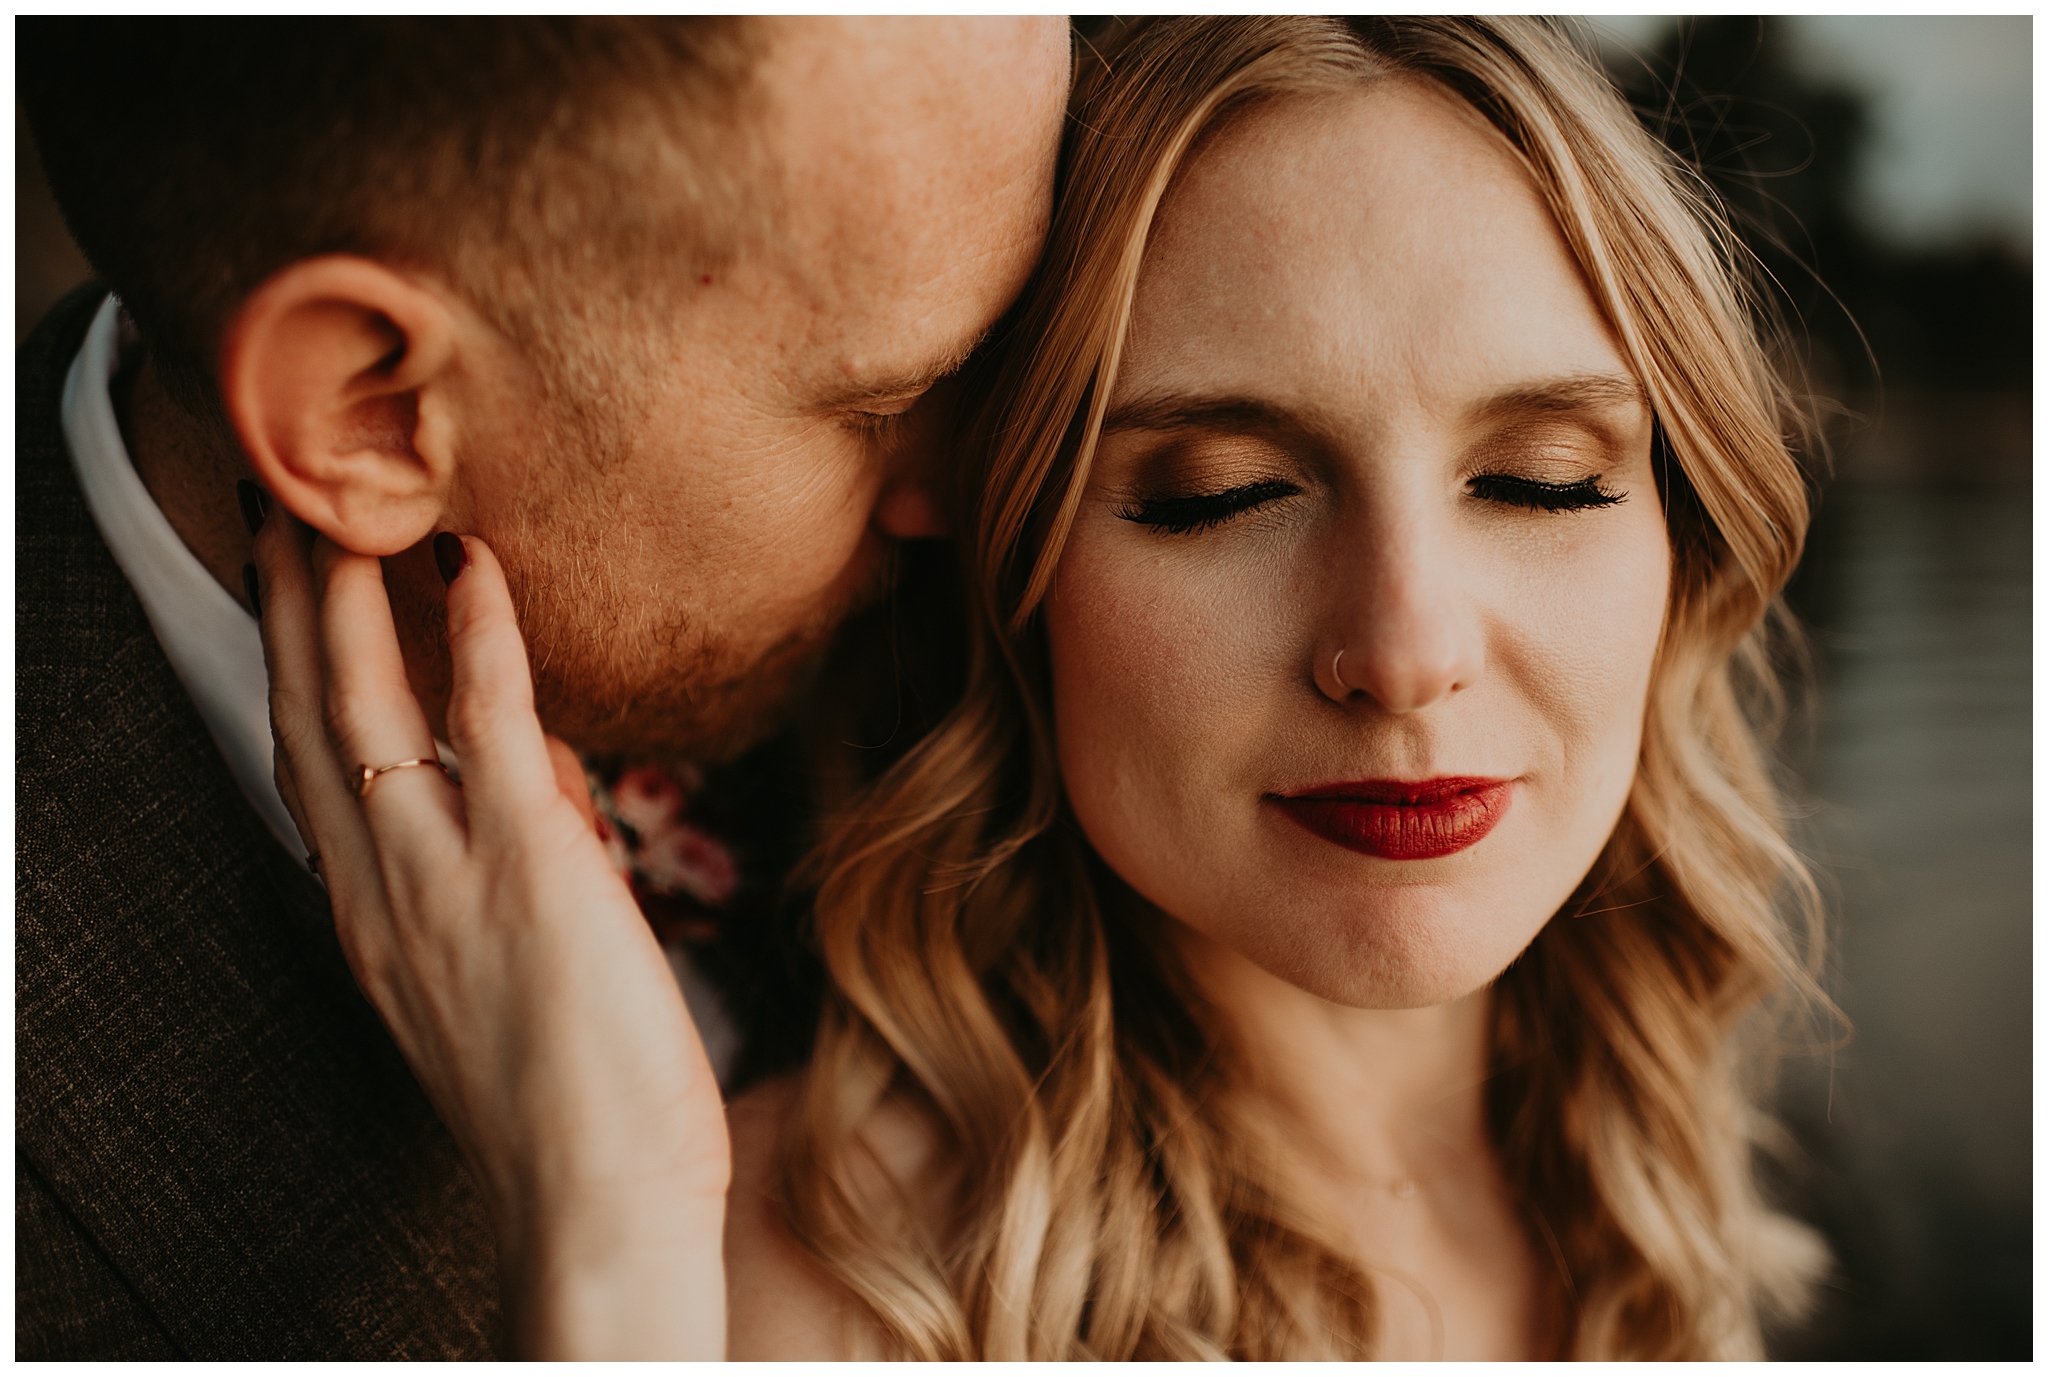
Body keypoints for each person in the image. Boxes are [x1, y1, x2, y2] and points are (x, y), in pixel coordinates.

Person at [249, 15, 1833, 1360]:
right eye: (1215, 492)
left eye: (1546, 481)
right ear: (1014, 571)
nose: (1409, 646)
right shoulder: (820, 1285)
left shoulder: (1658, 1145)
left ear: (1682, 544)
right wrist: (618, 1267)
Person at [15, 17, 1069, 1359]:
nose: (982, 493)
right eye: (881, 407)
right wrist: (611, 1251)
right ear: (369, 410)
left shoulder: (1018, 623)